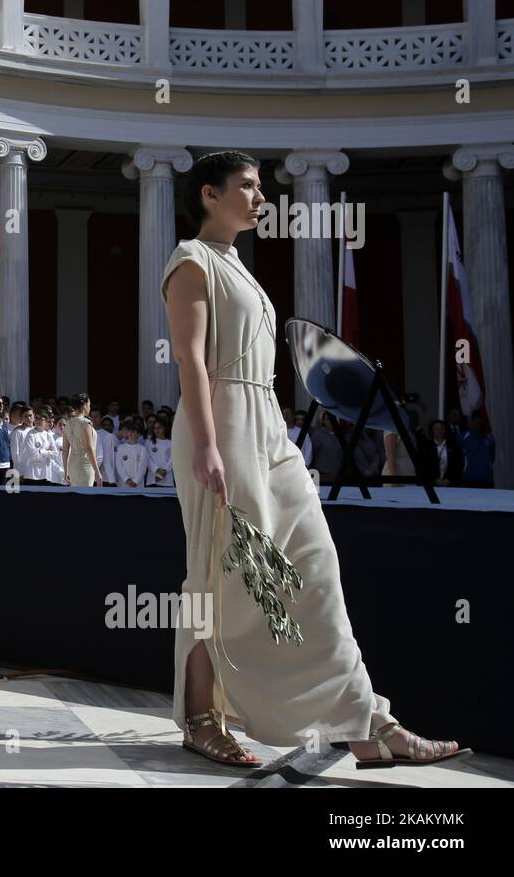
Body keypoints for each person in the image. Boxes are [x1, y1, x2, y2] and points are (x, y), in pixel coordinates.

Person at [163, 149, 465, 769]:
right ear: (208, 195)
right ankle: (201, 718)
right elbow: (190, 361)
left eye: (260, 186)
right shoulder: (191, 261)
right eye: (246, 186)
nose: (260, 196)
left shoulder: (238, 266)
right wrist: (209, 448)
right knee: (215, 575)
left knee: (315, 567)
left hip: (268, 427)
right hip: (220, 429)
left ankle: (365, 720)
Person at [62, 394, 100, 488]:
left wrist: (66, 470)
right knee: (85, 499)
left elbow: (65, 450)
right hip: (85, 466)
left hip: (72, 466)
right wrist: (97, 471)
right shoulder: (85, 423)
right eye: (89, 405)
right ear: (84, 406)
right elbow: (89, 448)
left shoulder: (68, 423)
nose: (89, 408)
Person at [422, 419, 463, 487]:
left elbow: (457, 465)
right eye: (436, 429)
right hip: (432, 484)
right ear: (432, 431)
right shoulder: (426, 447)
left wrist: (449, 479)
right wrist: (434, 480)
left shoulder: (453, 446)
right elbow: (424, 467)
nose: (439, 431)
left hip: (450, 484)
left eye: (442, 428)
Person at [460, 413, 495, 488]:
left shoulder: (490, 438)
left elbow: (492, 457)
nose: (478, 424)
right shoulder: (463, 437)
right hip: (469, 477)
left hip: (487, 478)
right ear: (472, 422)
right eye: (476, 421)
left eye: (480, 422)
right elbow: (457, 456)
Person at [113, 423, 148, 488]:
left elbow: (143, 468)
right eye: (129, 431)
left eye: (133, 432)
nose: (130, 433)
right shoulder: (121, 447)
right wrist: (126, 479)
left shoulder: (142, 449)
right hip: (123, 484)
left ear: (139, 434)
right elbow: (118, 465)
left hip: (138, 485)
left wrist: (136, 481)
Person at [144, 417, 175, 487]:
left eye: (159, 427)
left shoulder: (170, 443)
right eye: (155, 428)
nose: (157, 430)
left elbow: (173, 459)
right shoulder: (148, 442)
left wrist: (164, 471)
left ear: (164, 428)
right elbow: (147, 459)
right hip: (152, 479)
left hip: (167, 480)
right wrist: (157, 470)